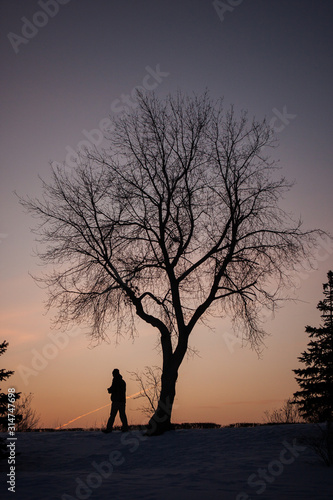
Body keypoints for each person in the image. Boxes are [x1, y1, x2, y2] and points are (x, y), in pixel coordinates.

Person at [103, 369, 128, 433]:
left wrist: (109, 390)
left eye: (113, 374)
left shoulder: (116, 381)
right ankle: (125, 428)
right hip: (122, 401)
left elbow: (114, 389)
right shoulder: (122, 382)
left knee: (113, 415)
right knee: (122, 415)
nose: (112, 375)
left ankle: (109, 429)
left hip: (116, 401)